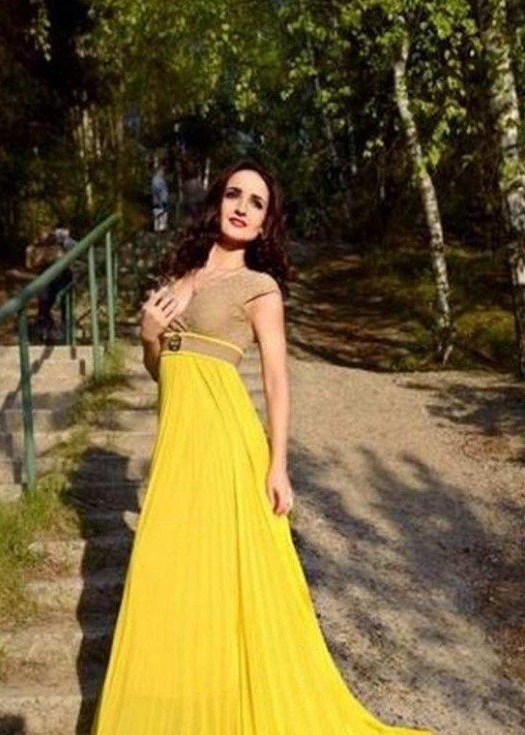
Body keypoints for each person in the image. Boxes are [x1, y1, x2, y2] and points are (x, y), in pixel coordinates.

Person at [89, 160, 434, 734]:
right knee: (169, 573)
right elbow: (164, 370)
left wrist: (278, 466)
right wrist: (149, 338)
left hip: (225, 442)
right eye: (234, 194)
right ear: (218, 202)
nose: (242, 208)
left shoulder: (259, 287)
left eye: (257, 203)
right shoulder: (180, 277)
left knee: (220, 573)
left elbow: (276, 380)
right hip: (176, 444)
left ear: (266, 222)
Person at [26, 226, 77, 343]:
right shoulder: (34, 248)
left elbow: (75, 248)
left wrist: (64, 240)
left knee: (65, 303)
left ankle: (67, 331)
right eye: (41, 236)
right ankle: (45, 330)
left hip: (63, 275)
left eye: (48, 235)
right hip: (46, 276)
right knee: (44, 304)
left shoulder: (61, 242)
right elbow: (30, 265)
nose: (46, 238)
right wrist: (38, 258)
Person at [150, 161, 169, 231]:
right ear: (159, 171)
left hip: (163, 200)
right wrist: (159, 199)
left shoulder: (161, 179)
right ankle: (159, 229)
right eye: (162, 171)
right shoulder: (156, 179)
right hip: (159, 200)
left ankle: (161, 228)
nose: (163, 172)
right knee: (159, 213)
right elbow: (156, 190)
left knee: (162, 213)